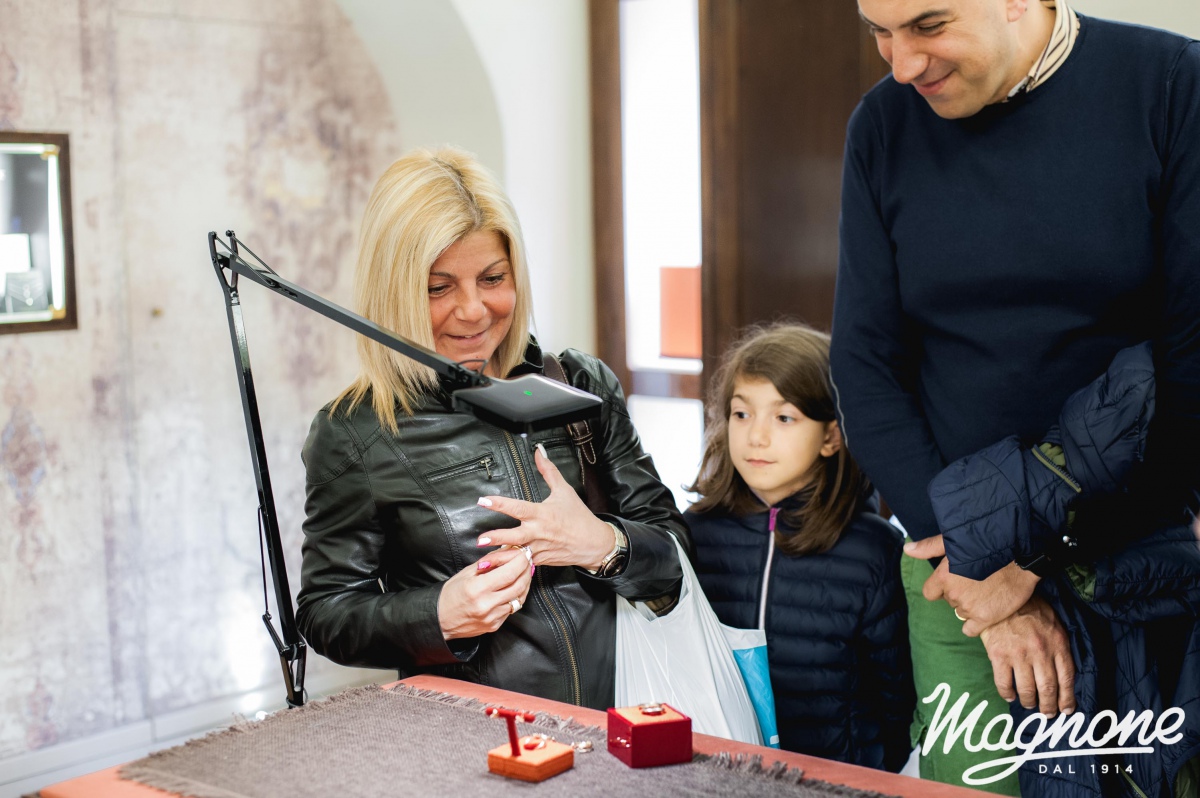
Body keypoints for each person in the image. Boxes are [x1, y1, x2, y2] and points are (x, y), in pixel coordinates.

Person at [831, 0, 1200, 794]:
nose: (902, 64)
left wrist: (1032, 560)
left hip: (1141, 557)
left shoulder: (1172, 87)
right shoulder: (884, 126)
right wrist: (976, 565)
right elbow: (863, 365)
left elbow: (1191, 364)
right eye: (878, 31)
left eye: (928, 25)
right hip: (955, 576)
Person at [295, 146, 688, 710]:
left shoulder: (581, 384)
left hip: (623, 721)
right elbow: (326, 613)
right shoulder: (356, 432)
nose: (474, 310)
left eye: (492, 278)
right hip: (475, 739)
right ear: (395, 290)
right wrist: (438, 615)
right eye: (438, 287)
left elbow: (674, 555)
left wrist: (602, 544)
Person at [684, 323, 914, 771]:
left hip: (835, 782)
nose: (756, 437)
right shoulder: (696, 531)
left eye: (784, 418)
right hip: (718, 776)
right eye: (741, 414)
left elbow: (897, 700)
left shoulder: (876, 550)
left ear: (831, 437)